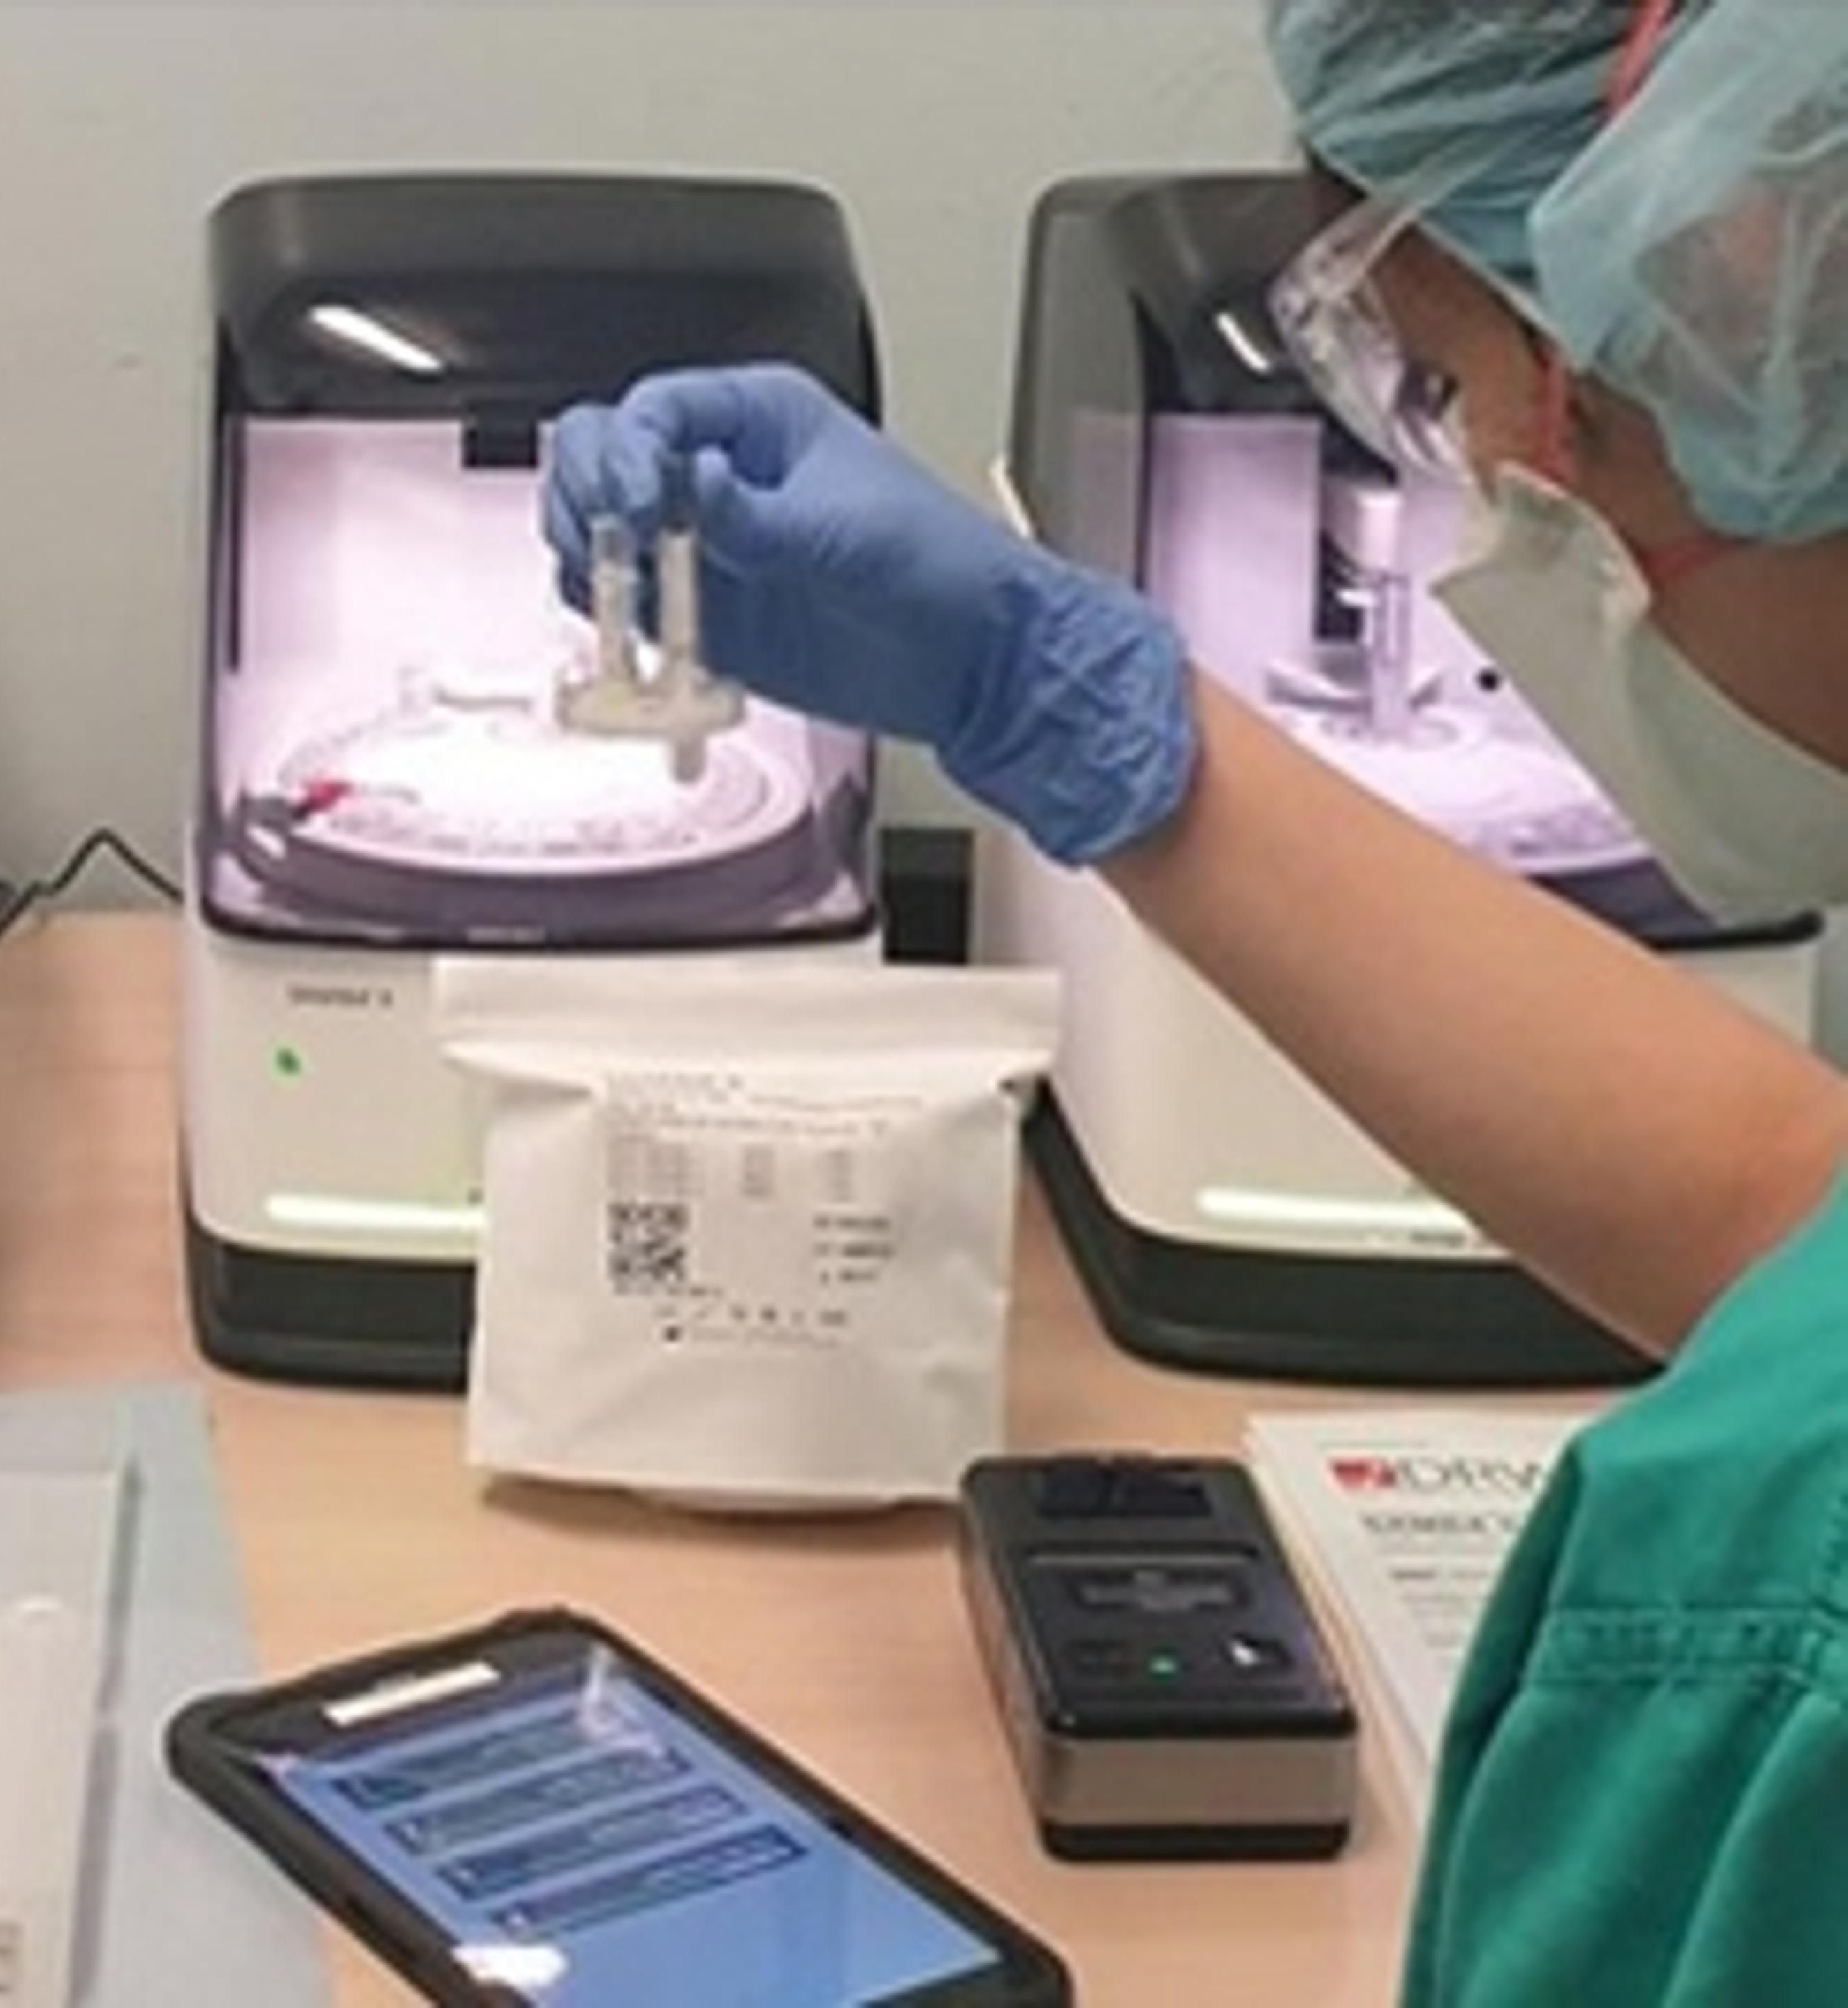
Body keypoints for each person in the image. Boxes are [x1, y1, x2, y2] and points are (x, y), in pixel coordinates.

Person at [546, 1, 1848, 2002]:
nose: (1477, 490)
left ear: (1733, 279)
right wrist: (1060, 700)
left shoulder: (1774, 1590)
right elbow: (1795, 1219)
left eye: (1445, 384)